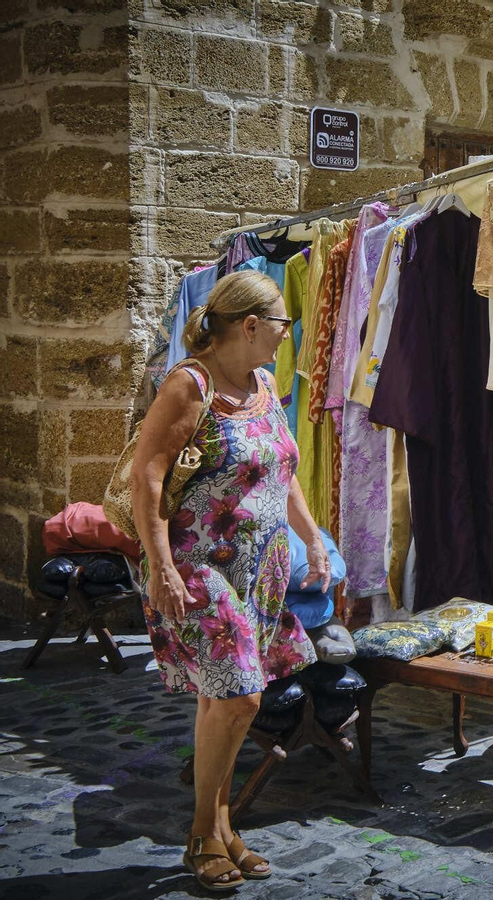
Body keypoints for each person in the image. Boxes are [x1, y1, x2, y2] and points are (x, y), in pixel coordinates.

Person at [131, 270, 328, 892]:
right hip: (199, 568)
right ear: (249, 326)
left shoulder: (264, 385)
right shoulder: (189, 386)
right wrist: (161, 564)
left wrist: (312, 535)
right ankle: (201, 832)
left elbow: (284, 468)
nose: (283, 336)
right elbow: (148, 479)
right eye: (281, 325)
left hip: (260, 566)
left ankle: (220, 825)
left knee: (222, 699)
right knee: (241, 696)